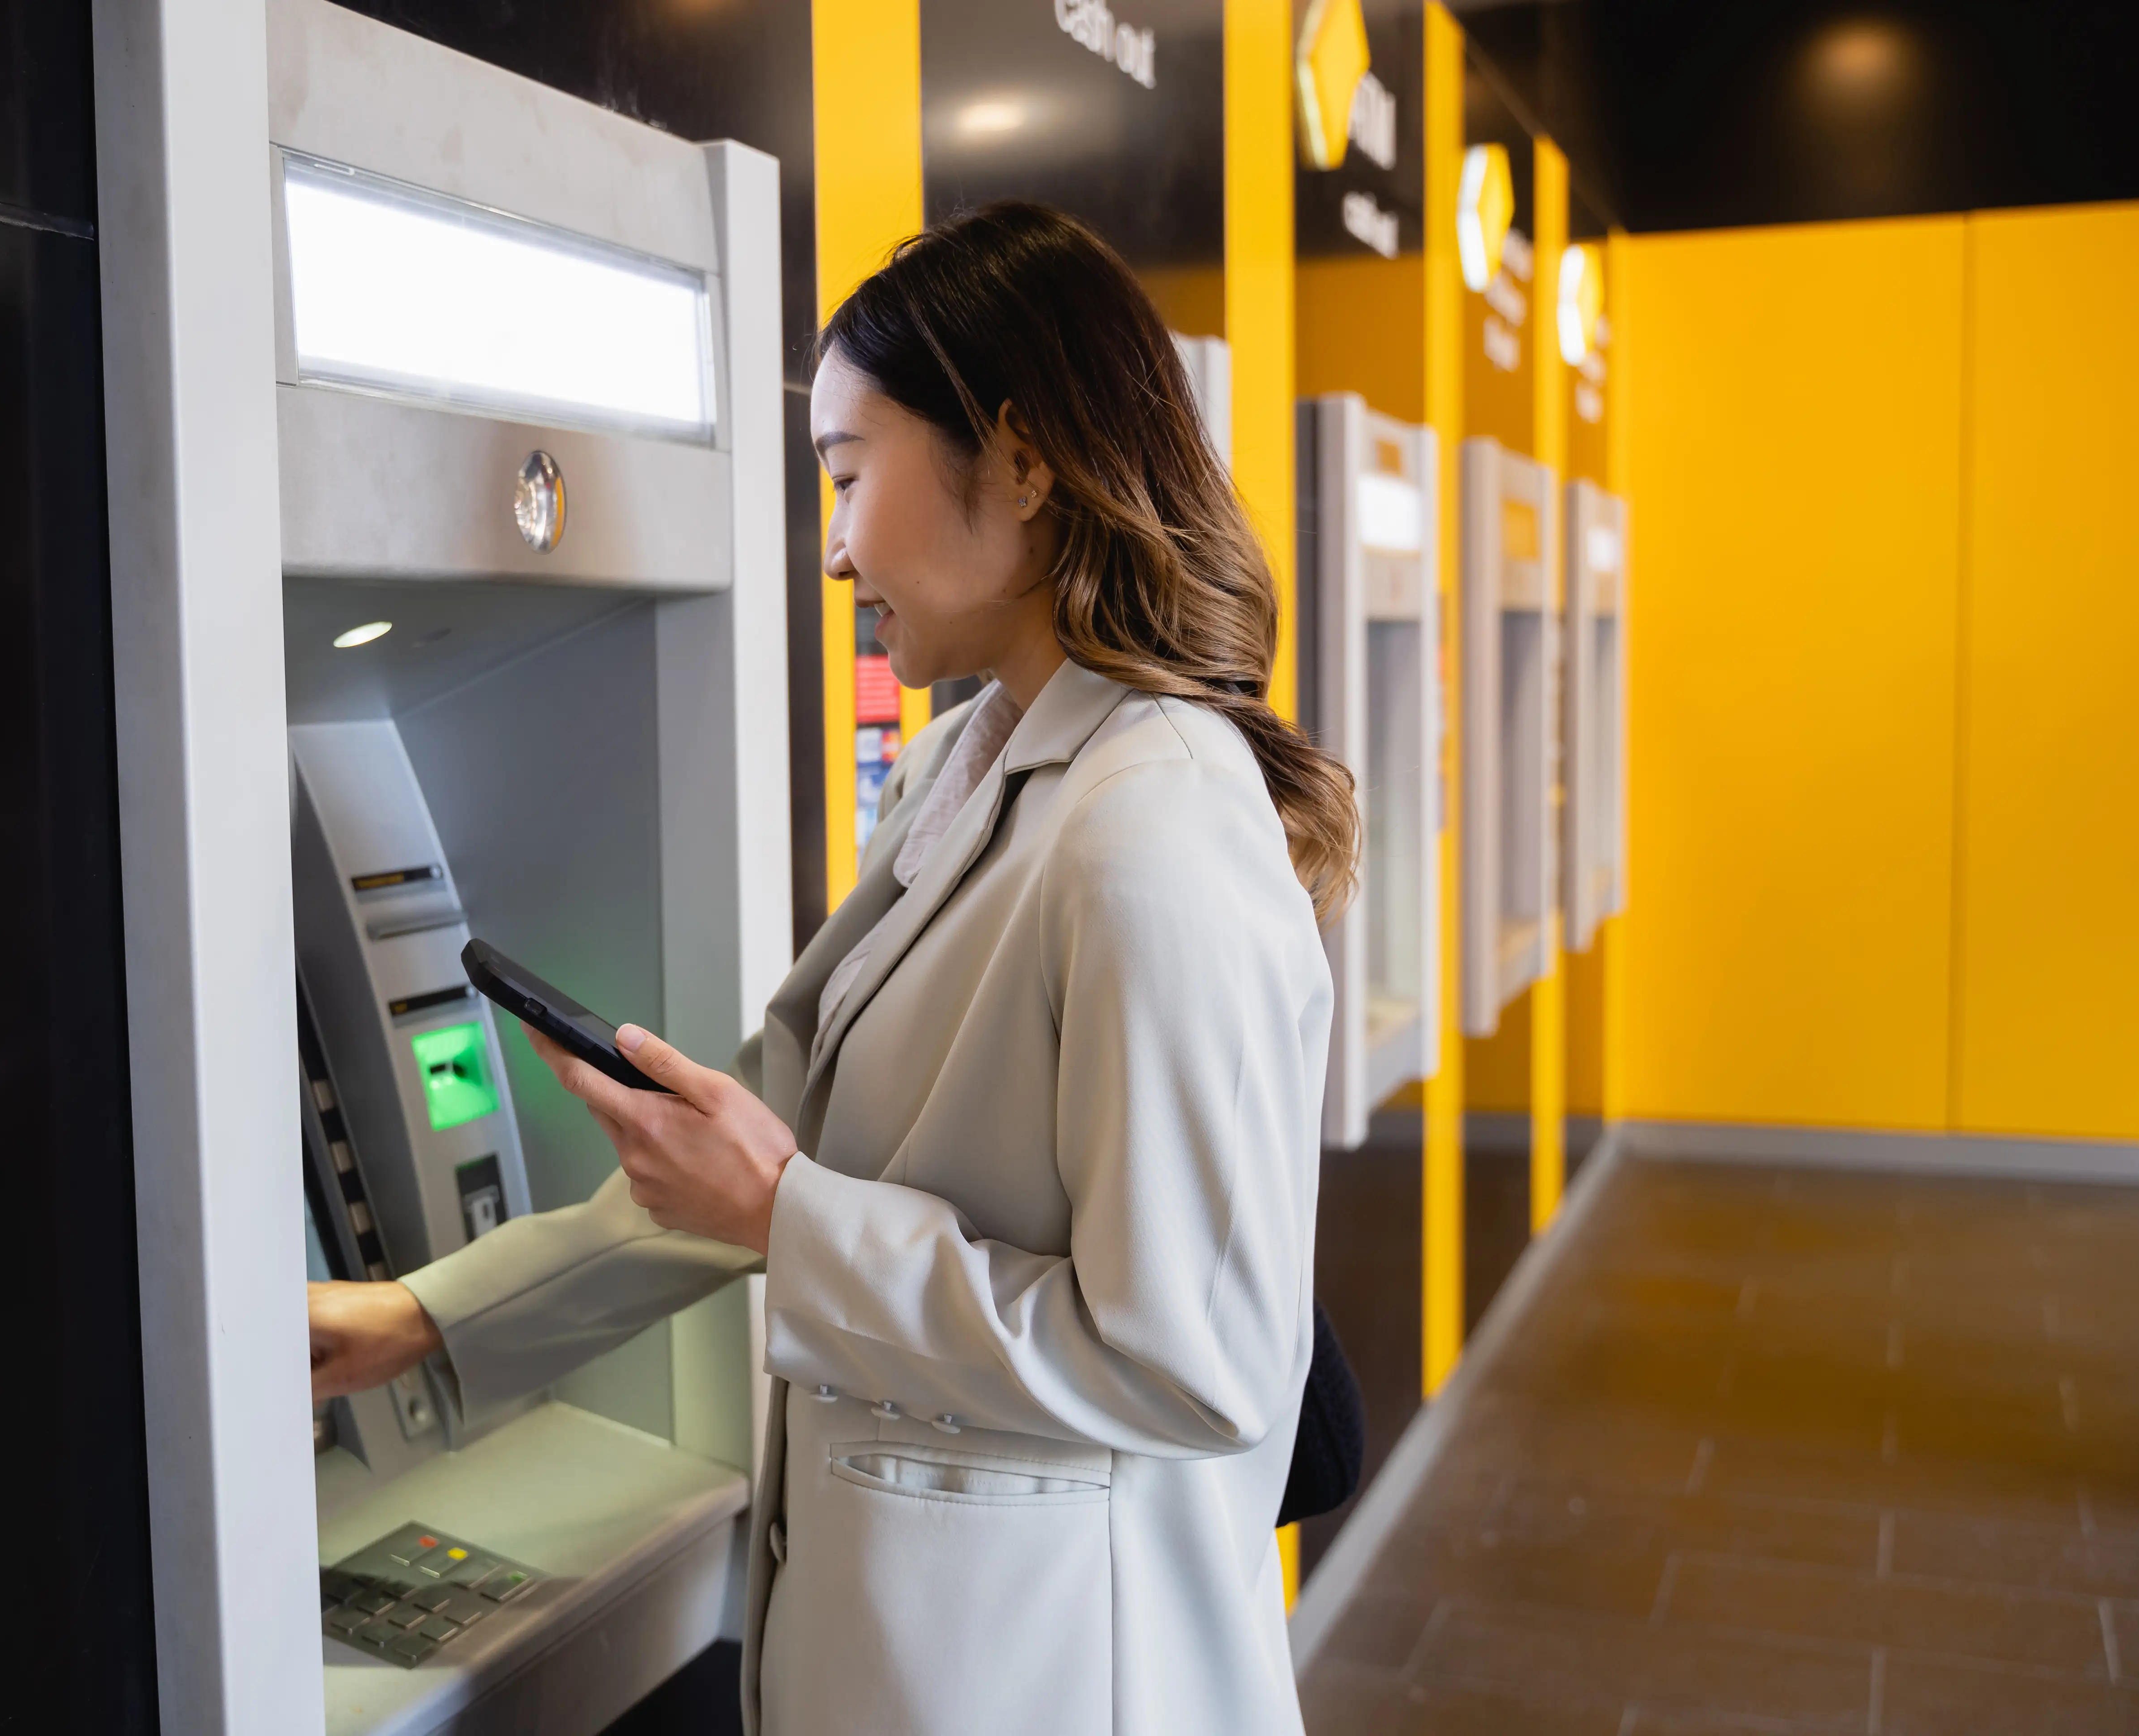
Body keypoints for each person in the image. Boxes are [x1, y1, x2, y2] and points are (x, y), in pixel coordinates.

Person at [305, 201, 1357, 1736]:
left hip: (1067, 1680)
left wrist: (788, 1215)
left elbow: (1194, 1368)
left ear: (1021, 458)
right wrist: (426, 1320)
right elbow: (754, 1151)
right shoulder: (961, 772)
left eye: (850, 476)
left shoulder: (1152, 831)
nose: (835, 544)